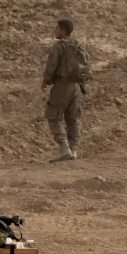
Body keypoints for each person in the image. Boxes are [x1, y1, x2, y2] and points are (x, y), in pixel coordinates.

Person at [42, 18, 86, 162]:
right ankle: (73, 151)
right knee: (72, 119)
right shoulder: (78, 45)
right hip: (77, 87)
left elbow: (52, 65)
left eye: (57, 28)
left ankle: (64, 149)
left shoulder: (59, 46)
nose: (55, 31)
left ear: (62, 30)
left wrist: (46, 80)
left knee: (53, 116)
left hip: (63, 86)